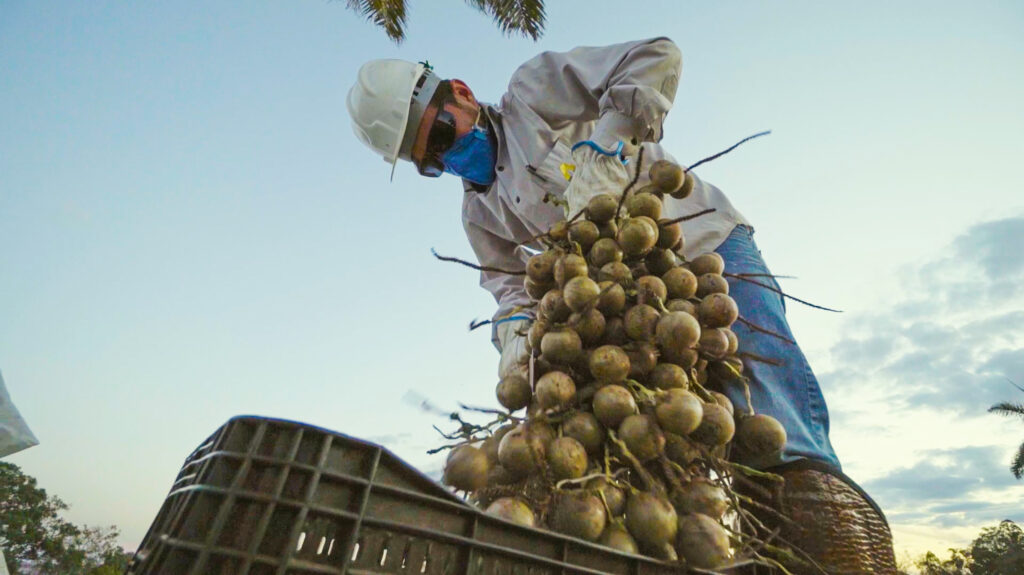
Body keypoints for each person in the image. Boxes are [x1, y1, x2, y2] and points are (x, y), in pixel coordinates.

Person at [347, 38, 896, 573]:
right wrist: (516, 343)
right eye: (431, 162)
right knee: (698, 442)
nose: (448, 157)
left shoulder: (533, 93)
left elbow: (656, 55)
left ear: (461, 94)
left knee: (772, 415)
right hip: (626, 308)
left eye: (442, 134)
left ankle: (837, 547)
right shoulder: (479, 216)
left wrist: (606, 147)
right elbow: (510, 290)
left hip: (704, 245)